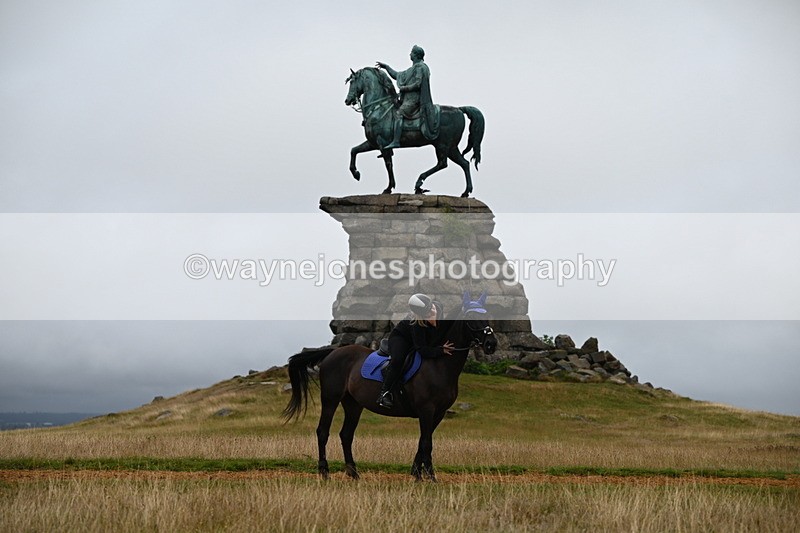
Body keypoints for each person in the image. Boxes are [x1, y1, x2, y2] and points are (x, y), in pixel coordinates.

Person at [377, 293, 455, 409]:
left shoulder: (439, 307)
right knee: (398, 360)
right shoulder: (416, 324)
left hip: (422, 337)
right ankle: (385, 393)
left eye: (431, 309)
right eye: (427, 314)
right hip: (402, 338)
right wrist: (440, 350)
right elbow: (422, 349)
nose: (431, 313)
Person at [375, 45, 437, 149]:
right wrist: (387, 67)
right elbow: (397, 75)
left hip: (414, 100)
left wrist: (404, 88)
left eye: (411, 52)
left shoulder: (421, 67)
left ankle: (396, 141)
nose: (410, 54)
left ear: (416, 55)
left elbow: (418, 84)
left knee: (399, 113)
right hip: (407, 99)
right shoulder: (412, 69)